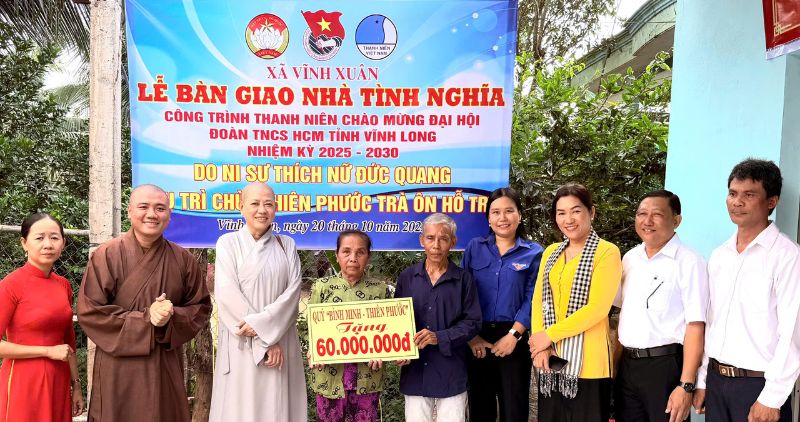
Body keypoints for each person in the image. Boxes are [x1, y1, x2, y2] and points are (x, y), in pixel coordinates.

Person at [77, 184, 212, 422]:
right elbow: (91, 312)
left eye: (160, 208)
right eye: (144, 207)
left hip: (163, 362)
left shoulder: (183, 260)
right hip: (117, 365)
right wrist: (147, 318)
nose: (152, 214)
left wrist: (172, 316)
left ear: (169, 216)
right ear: (129, 211)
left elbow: (200, 307)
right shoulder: (106, 255)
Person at [693, 159, 800, 422]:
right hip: (717, 383)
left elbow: (793, 333)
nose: (737, 202)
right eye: (732, 193)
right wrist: (704, 379)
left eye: (749, 195)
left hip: (758, 387)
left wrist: (771, 398)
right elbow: (713, 323)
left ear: (771, 201)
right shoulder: (720, 256)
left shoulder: (787, 257)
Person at [209, 182, 307, 421]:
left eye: (268, 204)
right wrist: (264, 340)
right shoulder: (228, 243)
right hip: (241, 342)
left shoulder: (287, 245)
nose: (261, 210)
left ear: (276, 209)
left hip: (280, 343)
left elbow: (292, 295)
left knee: (277, 405)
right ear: (241, 207)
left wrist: (268, 334)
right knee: (239, 407)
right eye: (254, 203)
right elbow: (227, 293)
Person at [528, 183, 622, 422]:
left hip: (589, 365)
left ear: (592, 212)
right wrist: (541, 346)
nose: (568, 219)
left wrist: (549, 335)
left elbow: (598, 308)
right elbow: (539, 300)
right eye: (561, 213)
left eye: (576, 210)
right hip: (551, 360)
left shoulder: (606, 252)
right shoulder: (551, 253)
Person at [613, 190, 708, 422]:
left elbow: (696, 326)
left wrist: (686, 385)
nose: (647, 221)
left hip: (665, 368)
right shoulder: (630, 259)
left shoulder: (689, 262)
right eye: (641, 214)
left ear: (676, 220)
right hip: (627, 367)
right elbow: (621, 317)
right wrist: (614, 369)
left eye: (656, 214)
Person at [461, 187, 544, 422]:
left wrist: (514, 335)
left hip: (514, 337)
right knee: (480, 407)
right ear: (488, 219)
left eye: (509, 211)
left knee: (514, 409)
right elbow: (463, 294)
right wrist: (472, 337)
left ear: (520, 215)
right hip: (478, 338)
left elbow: (533, 297)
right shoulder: (474, 248)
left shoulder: (534, 253)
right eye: (496, 212)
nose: (502, 218)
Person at [395, 213, 482, 422]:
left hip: (450, 370)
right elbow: (397, 320)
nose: (436, 245)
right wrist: (399, 349)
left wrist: (439, 337)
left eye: (443, 239)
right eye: (430, 238)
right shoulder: (407, 277)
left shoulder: (463, 279)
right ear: (421, 240)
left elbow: (472, 323)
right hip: (415, 371)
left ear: (453, 242)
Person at [0, 213, 85, 421]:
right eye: (39, 238)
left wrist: (76, 385)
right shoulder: (11, 285)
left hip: (59, 378)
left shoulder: (63, 285)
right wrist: (47, 351)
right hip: (24, 380)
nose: (48, 244)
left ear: (63, 243)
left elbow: (68, 340)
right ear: (24, 243)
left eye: (55, 237)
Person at [308, 230, 387, 422]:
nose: (353, 258)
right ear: (336, 255)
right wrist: (313, 348)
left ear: (368, 256)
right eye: (346, 251)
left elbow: (387, 329)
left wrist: (382, 351)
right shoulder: (322, 287)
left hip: (366, 377)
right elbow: (310, 328)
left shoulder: (379, 289)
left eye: (360, 252)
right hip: (329, 374)